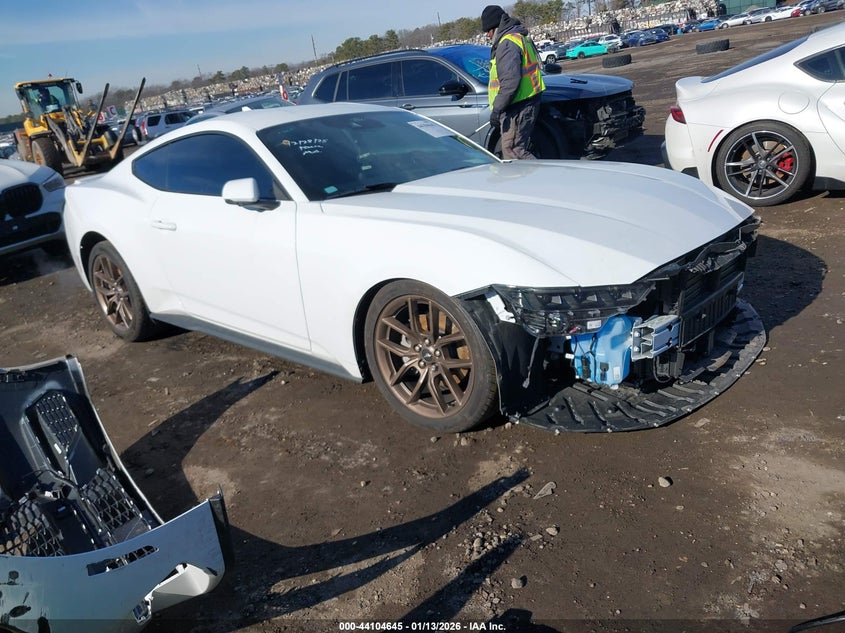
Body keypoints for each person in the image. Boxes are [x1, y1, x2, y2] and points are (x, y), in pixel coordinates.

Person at [482, 4, 545, 160]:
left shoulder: (507, 44)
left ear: (495, 28)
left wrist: (497, 109)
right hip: (523, 102)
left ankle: (541, 175)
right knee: (514, 150)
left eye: (488, 31)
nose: (487, 35)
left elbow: (510, 82)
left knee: (513, 151)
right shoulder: (518, 37)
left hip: (518, 106)